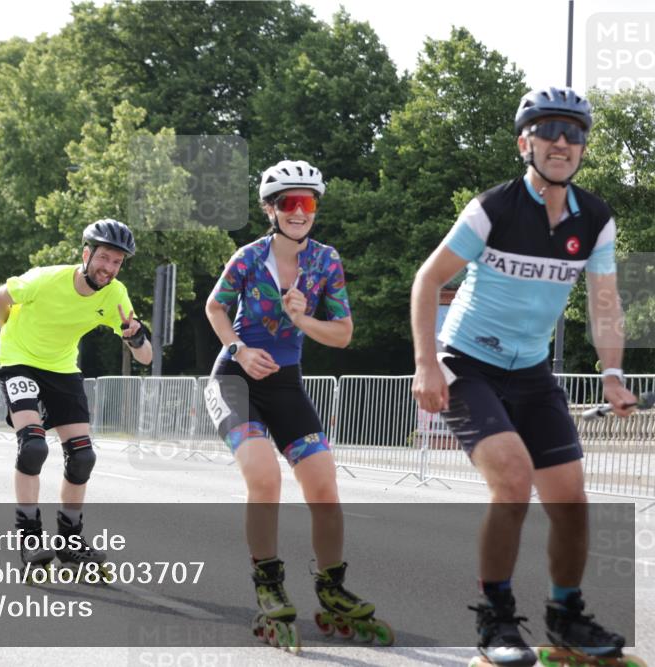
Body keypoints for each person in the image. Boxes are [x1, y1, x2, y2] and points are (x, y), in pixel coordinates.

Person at [410, 87, 638, 666]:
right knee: (511, 480)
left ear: (583, 147)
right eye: (548, 131)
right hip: (467, 364)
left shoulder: (596, 219)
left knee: (571, 501)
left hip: (532, 372)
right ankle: (496, 621)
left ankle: (565, 617)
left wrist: (612, 373)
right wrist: (425, 364)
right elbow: (426, 280)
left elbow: (605, 303)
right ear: (525, 142)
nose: (562, 142)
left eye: (574, 133)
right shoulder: (493, 208)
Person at [205, 159, 390, 651]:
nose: (298, 211)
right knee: (264, 477)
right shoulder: (247, 257)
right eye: (288, 202)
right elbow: (215, 306)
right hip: (237, 381)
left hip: (286, 383)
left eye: (307, 202)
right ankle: (268, 584)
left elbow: (344, 333)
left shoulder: (326, 262)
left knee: (324, 485)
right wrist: (238, 349)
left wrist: (304, 321)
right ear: (270, 209)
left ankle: (332, 587)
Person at [0, 219, 153, 570]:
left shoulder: (116, 295)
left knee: (82, 456)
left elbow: (146, 357)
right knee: (33, 445)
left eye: (117, 262)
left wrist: (135, 336)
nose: (109, 268)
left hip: (62, 368)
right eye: (104, 258)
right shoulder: (46, 278)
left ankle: (69, 540)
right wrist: (9, 336)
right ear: (86, 254)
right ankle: (30, 537)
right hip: (17, 359)